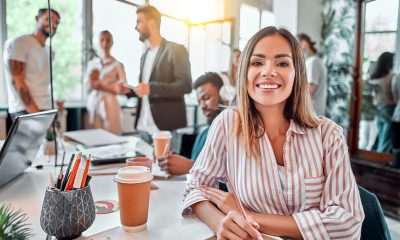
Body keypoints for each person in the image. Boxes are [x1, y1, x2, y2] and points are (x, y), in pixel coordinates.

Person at [183, 27, 364, 240]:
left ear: (297, 73)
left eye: (282, 63)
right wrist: (218, 222)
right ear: (245, 73)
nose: (268, 71)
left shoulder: (328, 135)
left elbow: (347, 223)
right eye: (257, 62)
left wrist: (248, 215)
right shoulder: (229, 123)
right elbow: (196, 186)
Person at [117, 5, 192, 140]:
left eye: (139, 21)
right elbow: (145, 92)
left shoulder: (175, 50)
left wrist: (151, 88)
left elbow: (185, 85)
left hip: (166, 128)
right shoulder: (145, 55)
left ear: (151, 23)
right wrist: (130, 91)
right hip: (143, 127)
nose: (136, 27)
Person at [158, 72, 224, 175]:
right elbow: (195, 163)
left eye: (206, 98)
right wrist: (176, 162)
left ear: (223, 94)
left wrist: (190, 166)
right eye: (199, 102)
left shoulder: (231, 133)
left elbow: (229, 176)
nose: (202, 106)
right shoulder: (203, 134)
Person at [3, 8, 61, 121]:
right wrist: (36, 114)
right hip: (26, 111)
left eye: (56, 22)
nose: (53, 24)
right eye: (48, 19)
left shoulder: (50, 51)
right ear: (37, 19)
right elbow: (17, 81)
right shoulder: (19, 43)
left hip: (48, 109)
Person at [85, 30, 127, 135]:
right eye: (102, 40)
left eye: (108, 40)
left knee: (112, 135)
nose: (105, 43)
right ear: (98, 43)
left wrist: (101, 86)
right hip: (94, 104)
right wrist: (93, 82)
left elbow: (123, 88)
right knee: (95, 137)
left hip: (111, 104)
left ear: (112, 43)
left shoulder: (118, 65)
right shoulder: (92, 64)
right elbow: (88, 87)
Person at [368, 52, 396, 153]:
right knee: (385, 141)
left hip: (378, 110)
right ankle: (379, 165)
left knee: (381, 138)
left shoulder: (374, 77)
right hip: (389, 110)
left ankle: (377, 161)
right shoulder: (392, 77)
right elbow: (394, 97)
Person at [297, 33, 327, 116]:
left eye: (297, 44)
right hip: (312, 111)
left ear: (304, 43)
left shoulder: (313, 62)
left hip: (312, 112)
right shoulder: (313, 61)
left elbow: (309, 90)